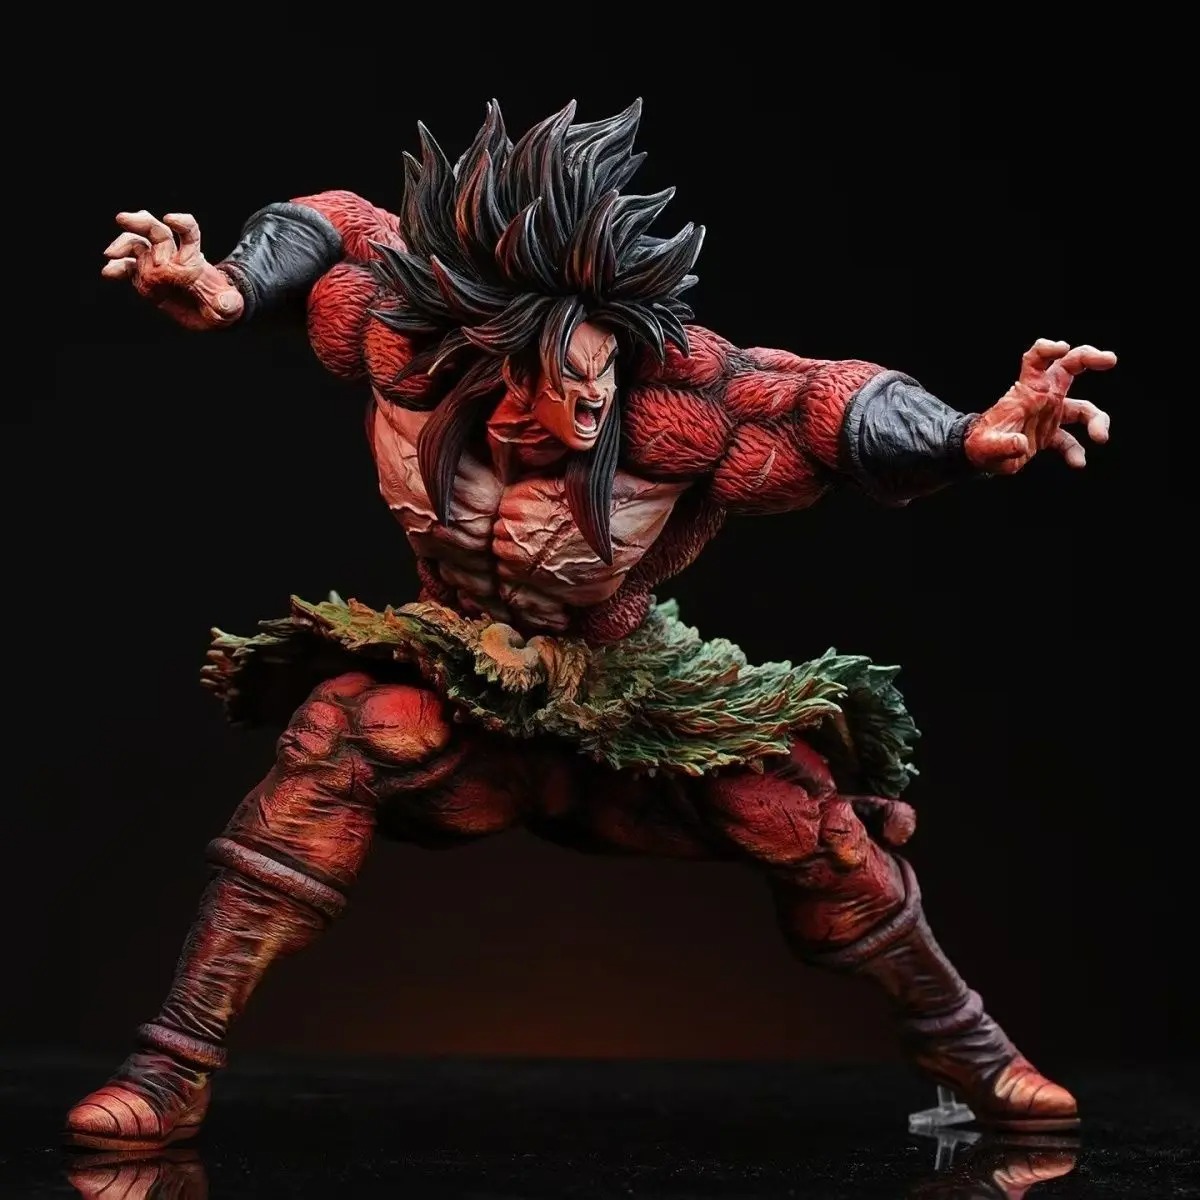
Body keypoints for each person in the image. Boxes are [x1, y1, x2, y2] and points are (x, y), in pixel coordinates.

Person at [67, 99, 1114, 1150]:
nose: (565, 409)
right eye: (534, 380)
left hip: (624, 683)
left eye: (586, 380)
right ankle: (171, 1068)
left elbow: (821, 406)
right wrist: (228, 285)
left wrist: (968, 436)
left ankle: (971, 1051)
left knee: (803, 818)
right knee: (336, 741)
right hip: (455, 664)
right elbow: (336, 220)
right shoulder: (399, 332)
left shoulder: (684, 407)